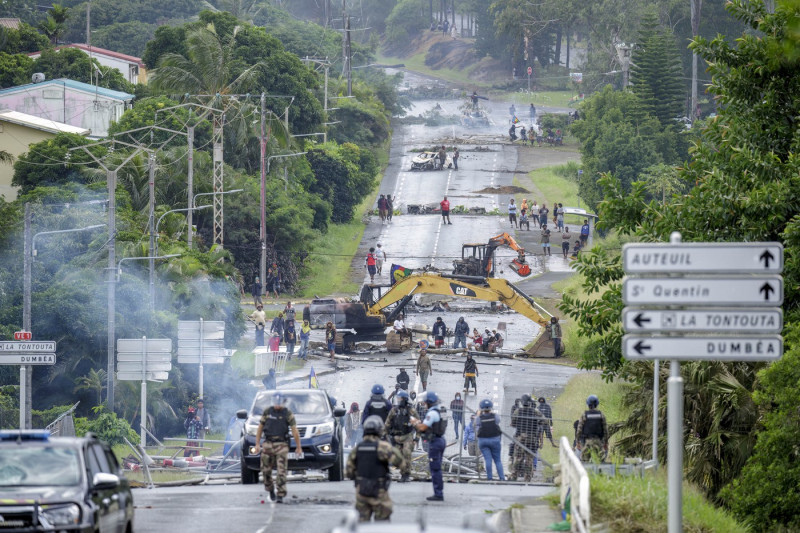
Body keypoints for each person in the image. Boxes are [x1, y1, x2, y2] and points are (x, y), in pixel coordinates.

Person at [346, 415, 406, 522]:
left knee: (362, 524)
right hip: (379, 491)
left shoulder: (357, 449)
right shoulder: (383, 447)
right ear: (379, 431)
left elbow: (348, 472)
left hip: (362, 492)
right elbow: (401, 462)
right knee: (382, 524)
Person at [255, 393, 303, 503]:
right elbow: (260, 428)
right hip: (268, 443)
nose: (277, 405)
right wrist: (257, 444)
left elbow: (295, 431)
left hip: (281, 444)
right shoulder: (267, 412)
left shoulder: (287, 413)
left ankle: (280, 494)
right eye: (275, 403)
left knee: (281, 471)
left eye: (279, 403)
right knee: (265, 470)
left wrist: (298, 447)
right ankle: (271, 489)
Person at [411, 391, 448, 501]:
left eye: (426, 403)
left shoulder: (432, 413)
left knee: (435, 469)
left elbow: (422, 428)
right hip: (441, 440)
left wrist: (414, 422)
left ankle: (438, 494)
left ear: (430, 403)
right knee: (438, 468)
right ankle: (439, 491)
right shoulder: (441, 410)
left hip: (435, 442)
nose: (424, 404)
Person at [385, 390, 418, 482]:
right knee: (396, 457)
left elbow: (418, 424)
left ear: (404, 399)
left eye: (400, 398)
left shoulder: (411, 410)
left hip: (407, 436)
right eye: (397, 398)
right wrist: (385, 435)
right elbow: (387, 423)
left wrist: (417, 438)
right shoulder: (394, 410)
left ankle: (405, 474)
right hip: (396, 437)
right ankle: (402, 470)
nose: (398, 400)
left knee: (406, 454)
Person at [510, 395, 542, 481]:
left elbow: (512, 423)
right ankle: (527, 477)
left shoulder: (518, 411)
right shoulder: (535, 411)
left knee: (518, 457)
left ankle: (514, 475)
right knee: (529, 458)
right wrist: (537, 422)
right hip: (531, 438)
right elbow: (544, 420)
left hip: (520, 437)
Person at [475, 399, 505, 481]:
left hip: (483, 441)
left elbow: (476, 425)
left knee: (488, 459)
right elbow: (498, 421)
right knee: (498, 460)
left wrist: (478, 415)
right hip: (495, 439)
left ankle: (490, 478)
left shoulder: (479, 418)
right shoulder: (495, 416)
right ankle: (502, 478)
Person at [576, 395, 608, 462]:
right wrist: (606, 442)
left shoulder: (584, 415)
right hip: (598, 442)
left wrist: (577, 441)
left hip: (587, 442)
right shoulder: (601, 415)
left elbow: (579, 430)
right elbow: (605, 430)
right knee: (600, 460)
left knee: (584, 461)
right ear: (597, 404)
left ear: (588, 404)